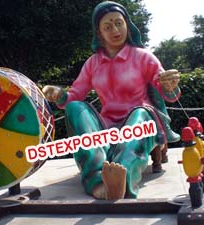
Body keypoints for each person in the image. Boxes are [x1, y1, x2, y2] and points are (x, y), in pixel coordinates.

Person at [42, 1, 181, 200]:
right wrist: (60, 95)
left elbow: (169, 93)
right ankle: (97, 180)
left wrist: (170, 86)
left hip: (140, 121)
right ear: (99, 33)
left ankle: (122, 178)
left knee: (141, 114)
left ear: (127, 24)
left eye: (119, 23)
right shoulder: (93, 63)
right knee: (75, 108)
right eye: (107, 27)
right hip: (107, 125)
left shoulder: (144, 57)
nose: (115, 30)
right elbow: (75, 95)